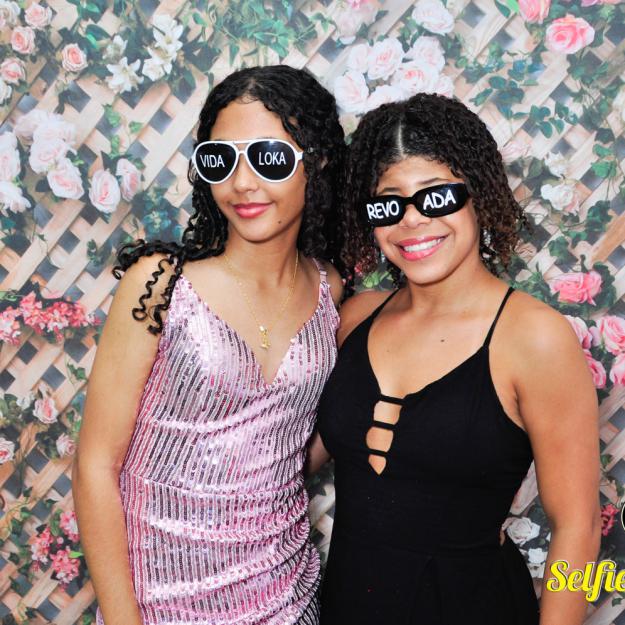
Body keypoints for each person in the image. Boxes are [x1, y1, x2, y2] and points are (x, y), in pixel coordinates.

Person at [311, 93, 601, 625]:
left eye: (437, 196)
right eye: (388, 204)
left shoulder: (534, 337)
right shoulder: (355, 317)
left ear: (477, 196)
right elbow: (288, 457)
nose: (411, 221)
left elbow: (578, 528)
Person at [72, 65, 346, 625]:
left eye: (268, 158)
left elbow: (285, 441)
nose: (242, 183)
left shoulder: (330, 288)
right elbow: (95, 465)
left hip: (286, 596)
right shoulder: (160, 283)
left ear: (316, 162)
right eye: (220, 160)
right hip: (160, 604)